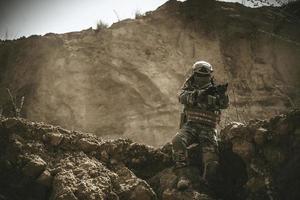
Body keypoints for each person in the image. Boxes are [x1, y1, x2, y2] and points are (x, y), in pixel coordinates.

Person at [172, 61, 229, 190]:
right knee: (177, 140)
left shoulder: (214, 89)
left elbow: (224, 105)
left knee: (212, 163)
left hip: (208, 129)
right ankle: (183, 176)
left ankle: (206, 187)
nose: (202, 78)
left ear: (210, 75)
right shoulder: (189, 87)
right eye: (199, 75)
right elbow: (182, 97)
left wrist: (221, 95)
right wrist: (199, 94)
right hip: (191, 126)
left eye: (205, 76)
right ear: (194, 75)